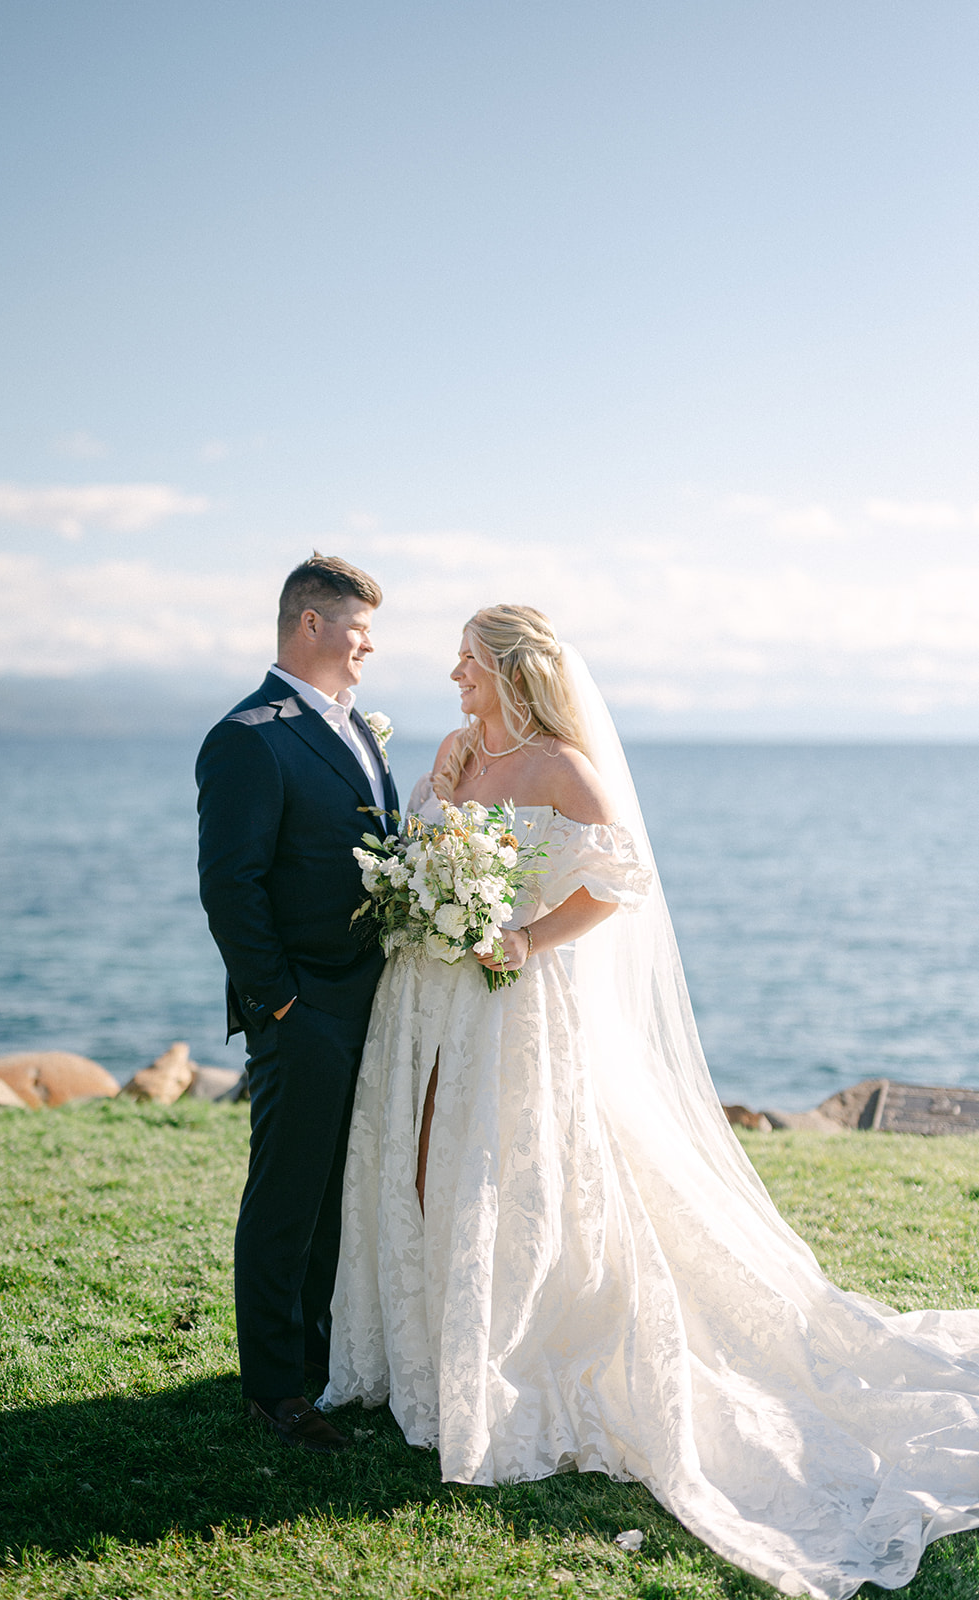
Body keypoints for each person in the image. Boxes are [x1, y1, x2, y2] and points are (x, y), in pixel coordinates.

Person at [323, 603, 979, 1600]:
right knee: (432, 1166)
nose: (452, 674)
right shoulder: (461, 751)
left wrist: (530, 940)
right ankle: (431, 1354)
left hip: (513, 1005)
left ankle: (512, 1358)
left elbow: (618, 883)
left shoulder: (563, 767)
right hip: (432, 1005)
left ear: (509, 670)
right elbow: (426, 856)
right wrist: (437, 809)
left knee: (509, 1173)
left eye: (467, 660)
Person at [196, 552, 398, 1453]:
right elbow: (229, 885)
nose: (368, 648)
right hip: (304, 1010)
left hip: (371, 1003)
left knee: (337, 1197)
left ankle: (322, 1367)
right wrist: (280, 1004)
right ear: (309, 625)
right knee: (286, 1200)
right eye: (358, 630)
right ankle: (275, 1390)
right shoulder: (249, 735)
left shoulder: (358, 729)